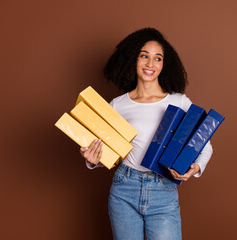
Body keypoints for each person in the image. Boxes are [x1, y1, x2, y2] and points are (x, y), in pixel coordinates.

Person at [79, 28, 213, 240]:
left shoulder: (178, 101)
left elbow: (204, 144)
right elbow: (109, 152)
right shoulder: (117, 105)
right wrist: (93, 160)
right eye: (144, 56)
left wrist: (195, 167)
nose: (151, 64)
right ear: (133, 59)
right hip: (124, 189)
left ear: (164, 64)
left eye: (157, 58)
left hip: (163, 189)